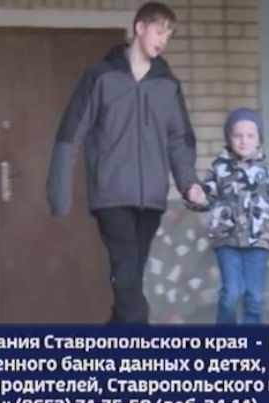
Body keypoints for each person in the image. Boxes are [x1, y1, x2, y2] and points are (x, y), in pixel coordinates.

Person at [46, 1, 204, 324]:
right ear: (139, 27)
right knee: (127, 272)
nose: (163, 40)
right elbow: (70, 134)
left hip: (152, 199)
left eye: (169, 35)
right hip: (112, 195)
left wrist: (189, 184)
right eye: (159, 31)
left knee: (129, 278)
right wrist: (58, 193)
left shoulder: (168, 85)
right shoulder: (100, 77)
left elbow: (179, 140)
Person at [187, 107, 269, 324]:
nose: (244, 141)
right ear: (229, 138)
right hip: (226, 241)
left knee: (254, 298)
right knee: (231, 293)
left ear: (258, 139)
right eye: (238, 135)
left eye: (250, 135)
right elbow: (207, 197)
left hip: (258, 243)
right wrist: (196, 198)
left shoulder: (268, 172)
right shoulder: (218, 169)